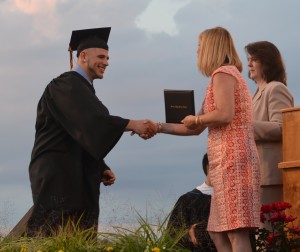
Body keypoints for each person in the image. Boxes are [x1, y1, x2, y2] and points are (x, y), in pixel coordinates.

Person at [26, 27, 157, 236]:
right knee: (54, 233)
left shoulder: (82, 89)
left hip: (74, 170)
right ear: (83, 56)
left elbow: (80, 132)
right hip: (58, 173)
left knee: (78, 235)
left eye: (108, 57)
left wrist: (100, 166)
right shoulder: (65, 85)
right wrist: (131, 124)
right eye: (101, 56)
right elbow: (91, 122)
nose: (106, 62)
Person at [155, 27, 260, 252]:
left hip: (234, 160)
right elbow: (194, 128)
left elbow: (224, 114)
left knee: (235, 232)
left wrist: (197, 118)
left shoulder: (223, 74)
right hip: (226, 163)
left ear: (211, 47)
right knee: (216, 231)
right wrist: (158, 127)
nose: (197, 51)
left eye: (200, 46)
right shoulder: (222, 77)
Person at [245, 41, 294, 205]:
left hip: (270, 175)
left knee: (268, 228)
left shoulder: (276, 88)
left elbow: (283, 128)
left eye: (254, 59)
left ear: (267, 62)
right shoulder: (256, 93)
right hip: (256, 174)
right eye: (248, 59)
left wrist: (244, 125)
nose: (249, 64)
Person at [167, 153, 216, 252]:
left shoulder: (235, 199)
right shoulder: (188, 199)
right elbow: (172, 233)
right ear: (209, 167)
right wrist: (190, 234)